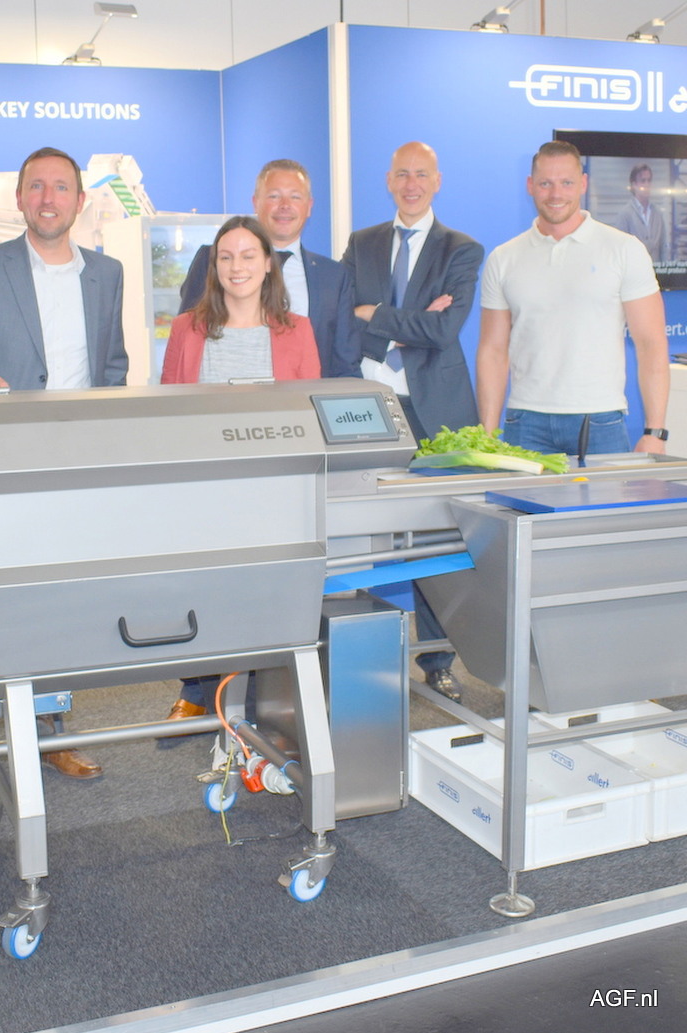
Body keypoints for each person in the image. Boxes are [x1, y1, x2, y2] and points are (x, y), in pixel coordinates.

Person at [0, 145, 126, 778]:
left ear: (80, 200)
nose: (49, 199)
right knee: (8, 602)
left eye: (61, 187)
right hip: (9, 461)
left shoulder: (107, 273)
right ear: (19, 198)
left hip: (80, 467)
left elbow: (113, 365)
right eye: (37, 187)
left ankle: (51, 733)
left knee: (67, 602)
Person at [160, 215, 319, 725]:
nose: (237, 266)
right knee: (206, 597)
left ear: (268, 264)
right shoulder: (187, 329)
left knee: (264, 599)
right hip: (204, 491)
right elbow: (167, 411)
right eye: (226, 257)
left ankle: (264, 706)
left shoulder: (297, 331)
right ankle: (206, 698)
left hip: (273, 493)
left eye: (249, 255)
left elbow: (308, 415)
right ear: (214, 266)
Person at [340, 141, 484, 703]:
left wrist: (377, 315)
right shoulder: (363, 243)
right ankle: (362, 659)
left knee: (435, 537)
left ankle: (439, 659)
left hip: (435, 410)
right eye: (402, 174)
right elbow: (343, 321)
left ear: (437, 180)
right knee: (363, 527)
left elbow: (445, 332)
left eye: (421, 174)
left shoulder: (461, 249)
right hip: (370, 405)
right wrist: (407, 323)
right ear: (388, 179)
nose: (411, 184)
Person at [477, 140, 669, 459]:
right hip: (525, 422)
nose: (556, 194)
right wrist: (486, 434)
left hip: (600, 421)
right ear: (530, 186)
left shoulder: (624, 249)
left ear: (583, 183)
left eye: (566, 182)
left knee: (607, 497)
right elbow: (493, 351)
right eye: (545, 183)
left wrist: (655, 432)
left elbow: (651, 343)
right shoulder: (503, 258)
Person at [178, 159, 360, 378]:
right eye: (274, 196)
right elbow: (185, 344)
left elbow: (345, 365)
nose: (284, 205)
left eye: (295, 197)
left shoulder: (333, 276)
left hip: (303, 398)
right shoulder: (212, 259)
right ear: (255, 202)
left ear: (309, 206)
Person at [614, 163, 668, 264]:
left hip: (657, 271)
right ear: (634, 185)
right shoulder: (625, 214)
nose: (647, 184)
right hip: (633, 271)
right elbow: (619, 249)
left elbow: (663, 247)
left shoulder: (658, 213)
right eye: (643, 181)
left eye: (649, 180)